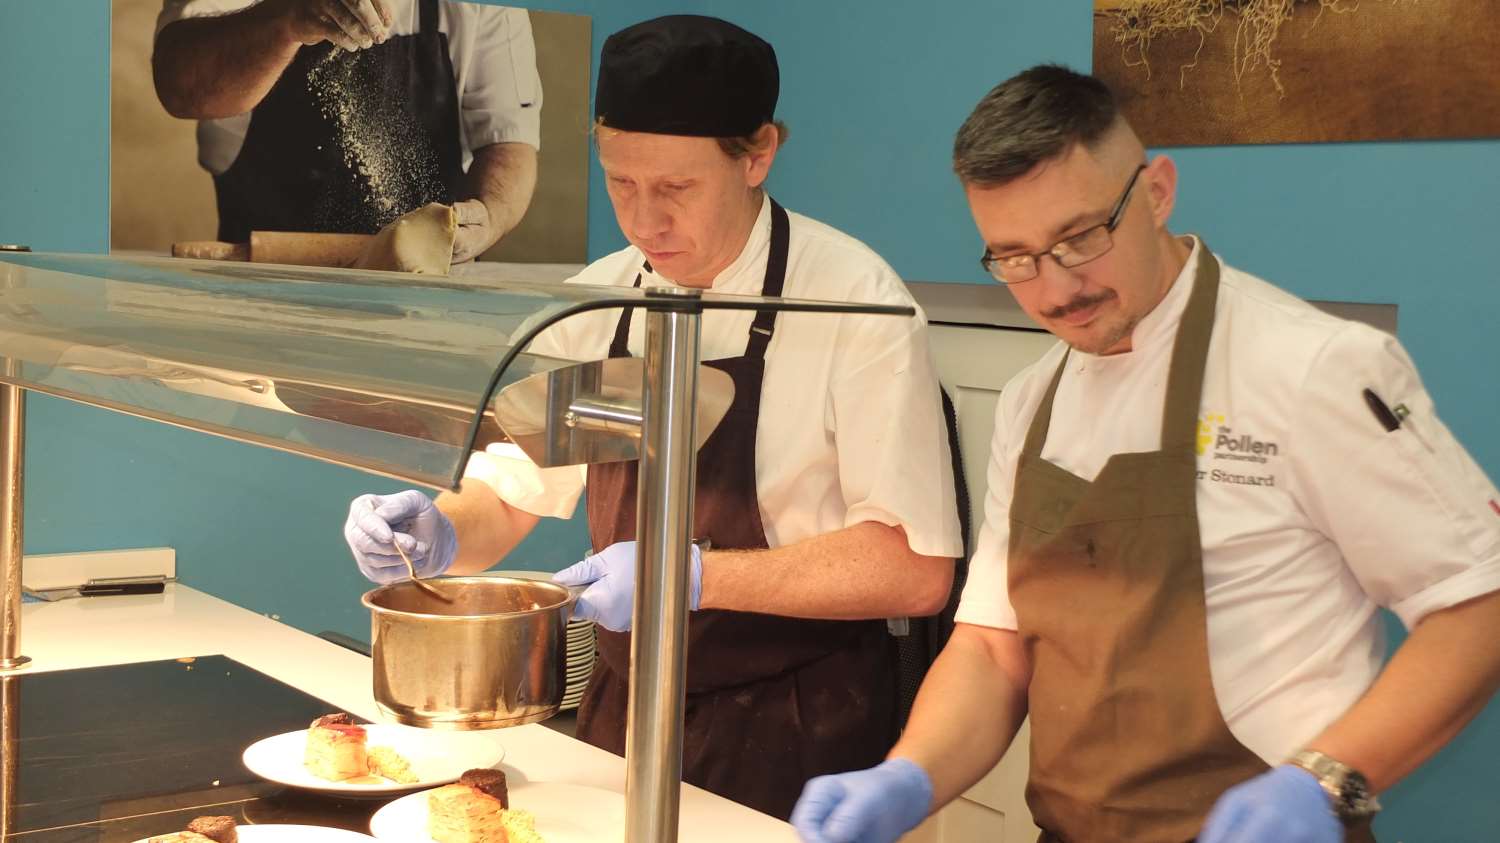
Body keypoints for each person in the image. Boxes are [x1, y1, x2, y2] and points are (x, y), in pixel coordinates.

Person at [791, 64, 1500, 843]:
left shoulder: (1314, 367)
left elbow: (1478, 605)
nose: (1055, 288)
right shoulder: (1032, 400)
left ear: (1157, 192)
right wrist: (911, 772)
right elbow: (994, 646)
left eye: (1080, 238)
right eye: (1015, 258)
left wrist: (1326, 780)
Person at [341, 15, 963, 820]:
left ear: (759, 154)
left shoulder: (855, 304)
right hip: (624, 717)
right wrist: (440, 533)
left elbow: (913, 567)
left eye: (675, 188)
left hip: (802, 727)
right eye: (620, 183)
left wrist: (689, 577)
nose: (643, 222)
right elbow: (513, 493)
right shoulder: (600, 305)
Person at [151, 0, 541, 261]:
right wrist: (284, 19)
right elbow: (180, 88)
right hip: (263, 300)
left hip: (429, 308)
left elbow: (508, 141)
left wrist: (489, 216)